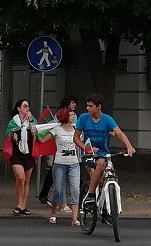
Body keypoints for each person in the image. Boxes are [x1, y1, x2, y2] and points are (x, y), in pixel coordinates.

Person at [74, 93, 135, 224]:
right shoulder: (84, 118)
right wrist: (86, 148)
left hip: (104, 153)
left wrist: (129, 147)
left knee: (111, 177)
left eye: (90, 106)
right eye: (87, 105)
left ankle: (108, 209)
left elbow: (119, 133)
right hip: (89, 155)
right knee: (100, 166)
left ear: (99, 107)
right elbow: (76, 138)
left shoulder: (107, 119)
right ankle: (90, 196)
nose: (87, 108)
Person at [36, 106, 80, 226]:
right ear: (65, 116)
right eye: (71, 115)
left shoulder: (76, 129)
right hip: (60, 163)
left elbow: (82, 142)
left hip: (74, 163)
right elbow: (43, 140)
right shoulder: (57, 129)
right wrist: (36, 134)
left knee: (75, 189)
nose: (73, 117)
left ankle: (74, 218)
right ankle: (53, 213)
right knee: (58, 190)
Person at [38, 95, 78, 205]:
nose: (74, 105)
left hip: (72, 155)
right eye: (72, 102)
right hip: (59, 152)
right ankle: (54, 201)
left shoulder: (75, 118)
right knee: (55, 176)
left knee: (72, 182)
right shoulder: (59, 119)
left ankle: (68, 202)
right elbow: (51, 130)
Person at [5, 99, 38, 216]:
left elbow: (36, 132)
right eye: (24, 106)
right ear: (19, 108)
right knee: (20, 178)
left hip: (28, 153)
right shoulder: (13, 121)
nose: (27, 108)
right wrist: (14, 132)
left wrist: (31, 121)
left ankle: (23, 205)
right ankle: (19, 204)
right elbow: (7, 134)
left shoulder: (32, 120)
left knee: (27, 181)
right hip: (16, 153)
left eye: (28, 106)